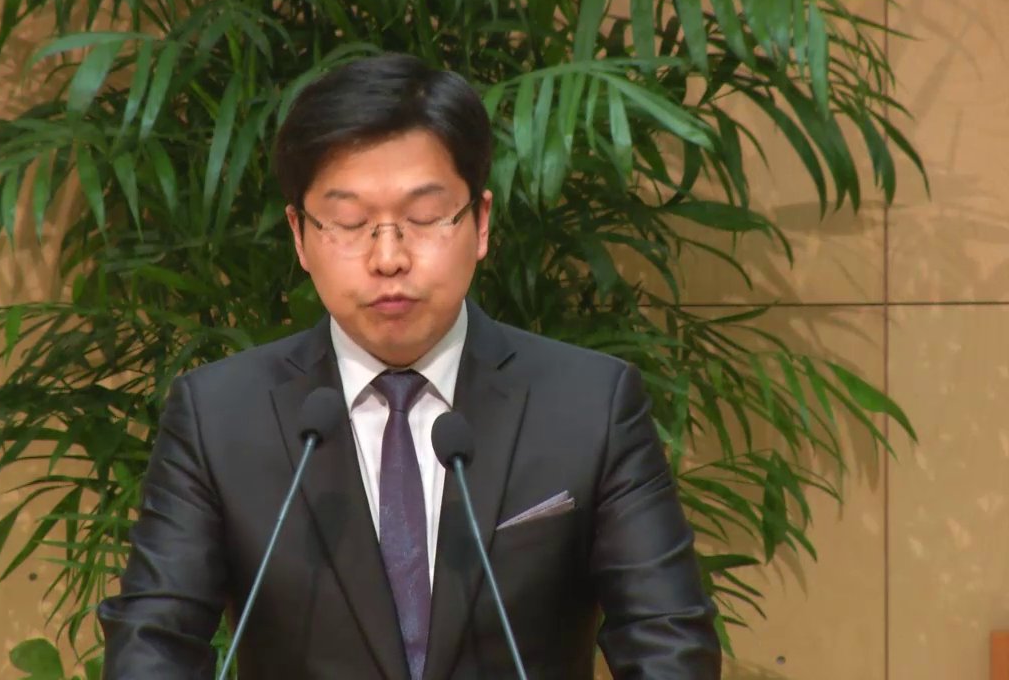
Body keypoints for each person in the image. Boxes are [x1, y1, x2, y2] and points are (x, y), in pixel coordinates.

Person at [97, 53, 722, 679]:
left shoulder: (592, 404)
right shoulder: (219, 416)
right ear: (299, 235)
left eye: (423, 218)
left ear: (480, 223)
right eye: (349, 223)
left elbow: (668, 643)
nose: (389, 257)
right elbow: (154, 646)